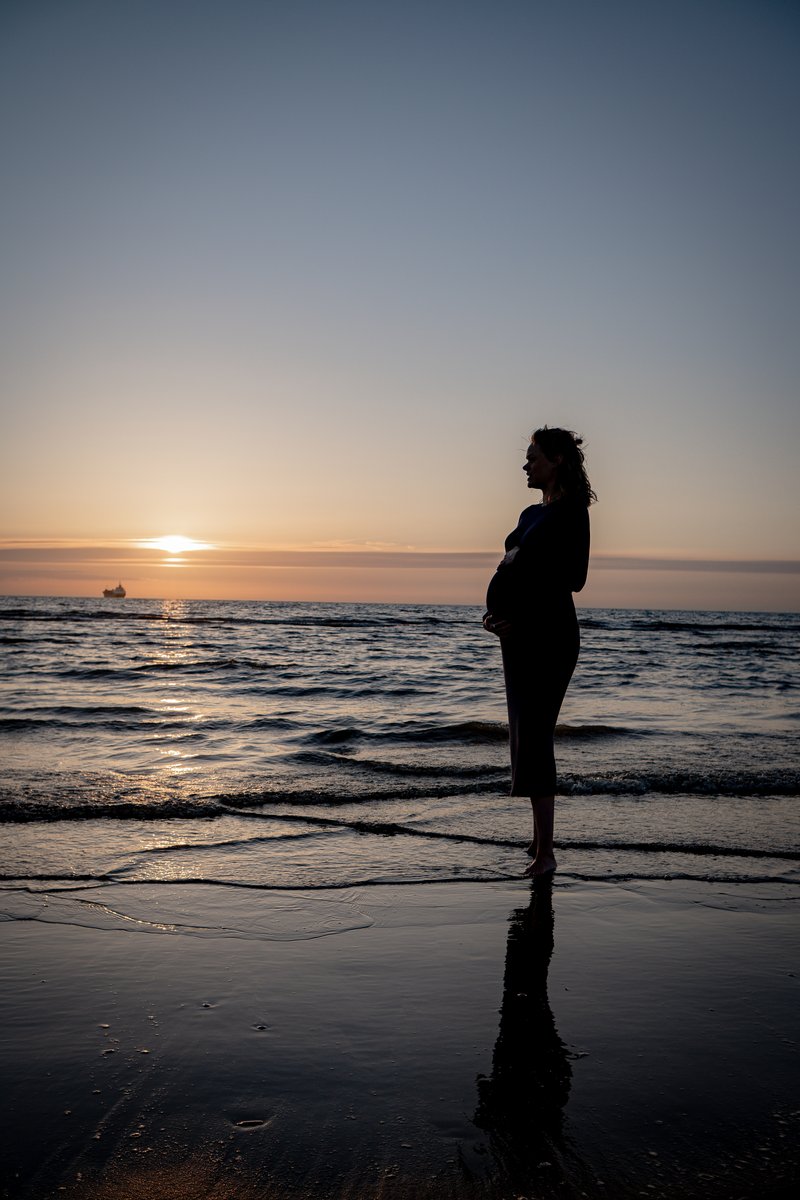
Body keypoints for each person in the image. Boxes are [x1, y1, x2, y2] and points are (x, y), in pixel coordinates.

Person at [483, 427, 595, 879]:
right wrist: (492, 616)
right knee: (523, 738)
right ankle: (537, 840)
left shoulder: (572, 512)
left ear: (557, 460)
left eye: (532, 456)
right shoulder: (530, 512)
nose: (525, 464)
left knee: (536, 737)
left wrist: (518, 564)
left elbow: (574, 577)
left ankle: (546, 855)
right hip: (517, 638)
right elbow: (506, 566)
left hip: (548, 636)